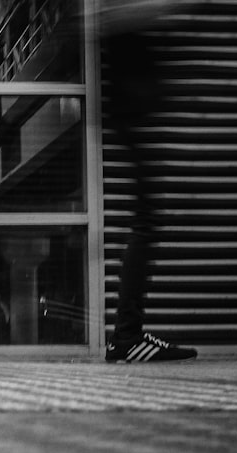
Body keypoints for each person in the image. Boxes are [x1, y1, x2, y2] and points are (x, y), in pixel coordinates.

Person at [99, 1, 197, 363]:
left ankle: (127, 336)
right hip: (132, 120)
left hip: (133, 119)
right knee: (146, 224)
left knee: (146, 223)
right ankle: (127, 338)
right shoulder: (122, 15)